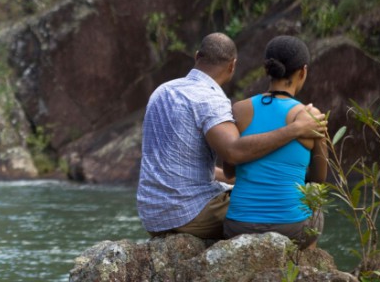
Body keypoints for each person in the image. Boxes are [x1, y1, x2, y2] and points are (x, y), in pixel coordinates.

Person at [137, 32, 327, 239]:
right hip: (188, 214)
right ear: (232, 66)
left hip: (152, 215)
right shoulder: (210, 98)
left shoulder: (162, 91)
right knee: (265, 205)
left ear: (197, 56)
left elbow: (186, 166)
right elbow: (233, 153)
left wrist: (247, 175)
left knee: (242, 189)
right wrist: (296, 129)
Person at [222, 35, 328, 248]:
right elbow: (319, 177)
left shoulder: (239, 110)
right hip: (291, 228)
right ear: (303, 71)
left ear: (266, 69)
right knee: (314, 200)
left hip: (238, 226)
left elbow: (229, 171)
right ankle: (306, 269)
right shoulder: (309, 116)